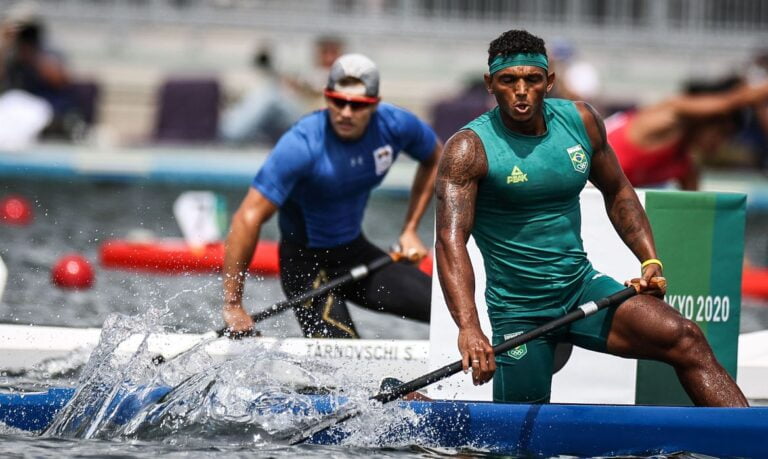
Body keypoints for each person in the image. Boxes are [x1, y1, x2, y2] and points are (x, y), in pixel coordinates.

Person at [435, 29, 748, 406]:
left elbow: (619, 191)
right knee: (517, 441)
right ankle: (425, 408)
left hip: (582, 289)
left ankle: (745, 437)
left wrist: (649, 259)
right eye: (508, 81)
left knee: (686, 337)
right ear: (490, 84)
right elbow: (450, 241)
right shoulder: (468, 149)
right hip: (520, 311)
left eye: (532, 79)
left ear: (549, 81)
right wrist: (469, 327)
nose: (521, 91)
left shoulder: (581, 121)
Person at [223, 53, 442, 338]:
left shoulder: (396, 125)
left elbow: (436, 158)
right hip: (306, 268)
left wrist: (410, 229)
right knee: (347, 364)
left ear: (375, 104)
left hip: (356, 254)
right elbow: (247, 218)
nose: (346, 112)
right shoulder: (301, 144)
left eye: (358, 105)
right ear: (327, 98)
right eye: (338, 102)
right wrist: (233, 304)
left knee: (453, 313)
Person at [606, 74, 768, 190]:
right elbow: (733, 102)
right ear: (705, 118)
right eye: (722, 133)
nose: (720, 143)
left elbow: (695, 214)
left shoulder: (684, 167)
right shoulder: (668, 114)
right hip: (584, 183)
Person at [219, 47, 302, 145]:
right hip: (235, 131)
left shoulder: (272, 90)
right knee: (268, 94)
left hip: (239, 130)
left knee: (271, 95)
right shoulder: (260, 88)